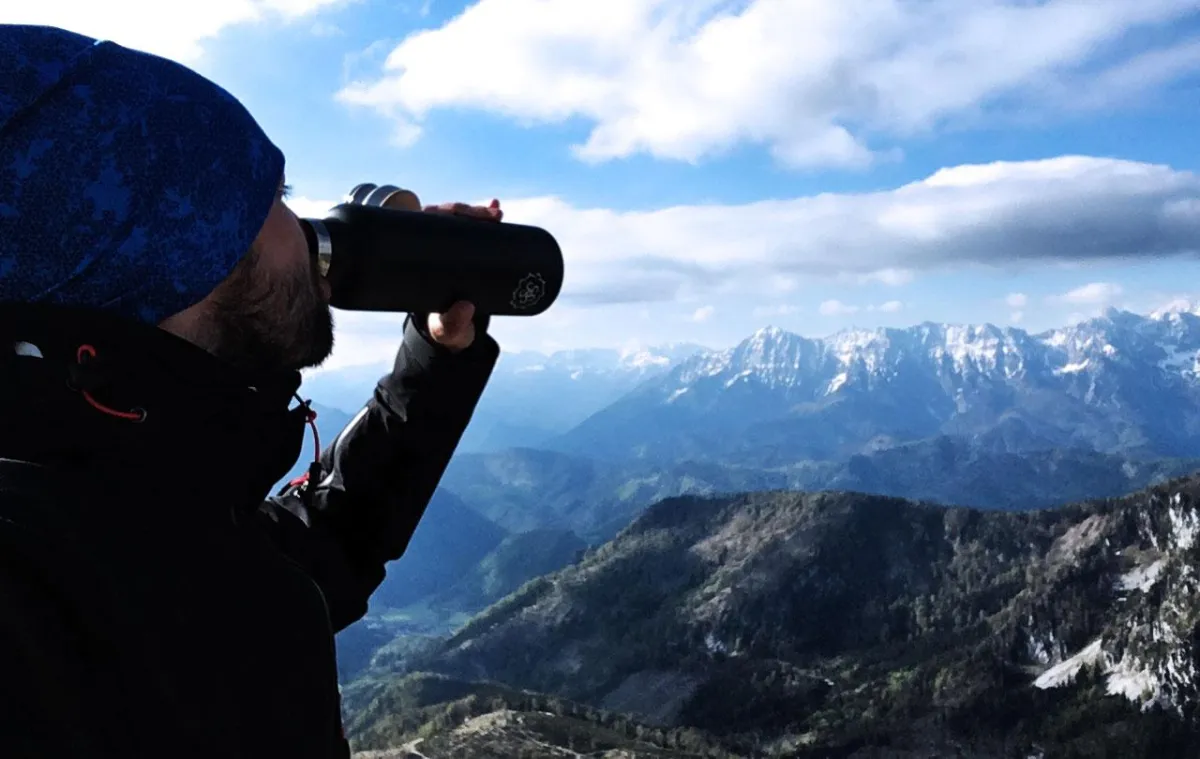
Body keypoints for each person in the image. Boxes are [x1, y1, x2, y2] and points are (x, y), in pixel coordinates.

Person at [0, 24, 502, 758]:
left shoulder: (137, 496)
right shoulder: (27, 612)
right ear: (187, 252)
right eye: (274, 197)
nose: (306, 233)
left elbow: (307, 553)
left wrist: (437, 355)